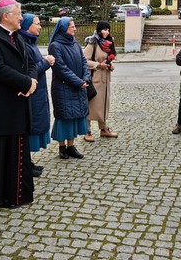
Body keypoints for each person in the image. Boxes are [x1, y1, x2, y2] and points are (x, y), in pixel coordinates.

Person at [0, 0, 37, 208]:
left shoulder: (17, 37)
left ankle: (20, 194)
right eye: (19, 13)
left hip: (19, 104)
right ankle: (3, 196)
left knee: (19, 150)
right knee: (3, 152)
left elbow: (29, 63)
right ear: (6, 15)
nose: (22, 17)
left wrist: (31, 82)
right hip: (2, 106)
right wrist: (25, 83)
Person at [19, 14, 55, 177]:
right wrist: (46, 61)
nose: (40, 26)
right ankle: (24, 164)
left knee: (34, 127)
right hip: (30, 94)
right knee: (29, 129)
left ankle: (28, 163)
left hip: (38, 93)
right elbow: (29, 71)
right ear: (27, 26)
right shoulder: (23, 44)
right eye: (37, 24)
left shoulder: (30, 42)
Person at [49, 17, 89, 160]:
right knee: (64, 118)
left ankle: (71, 146)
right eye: (72, 26)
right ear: (64, 28)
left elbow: (84, 61)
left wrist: (85, 78)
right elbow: (61, 69)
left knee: (74, 117)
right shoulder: (55, 45)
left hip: (78, 85)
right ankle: (62, 147)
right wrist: (79, 82)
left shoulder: (75, 43)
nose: (75, 28)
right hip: (63, 88)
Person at [83, 21, 118, 142]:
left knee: (103, 105)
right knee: (91, 105)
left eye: (108, 30)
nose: (106, 32)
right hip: (94, 79)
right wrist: (98, 65)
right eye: (104, 30)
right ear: (99, 30)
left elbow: (108, 59)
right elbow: (84, 61)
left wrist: (110, 66)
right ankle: (86, 130)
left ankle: (103, 129)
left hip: (105, 80)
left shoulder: (108, 43)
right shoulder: (92, 43)